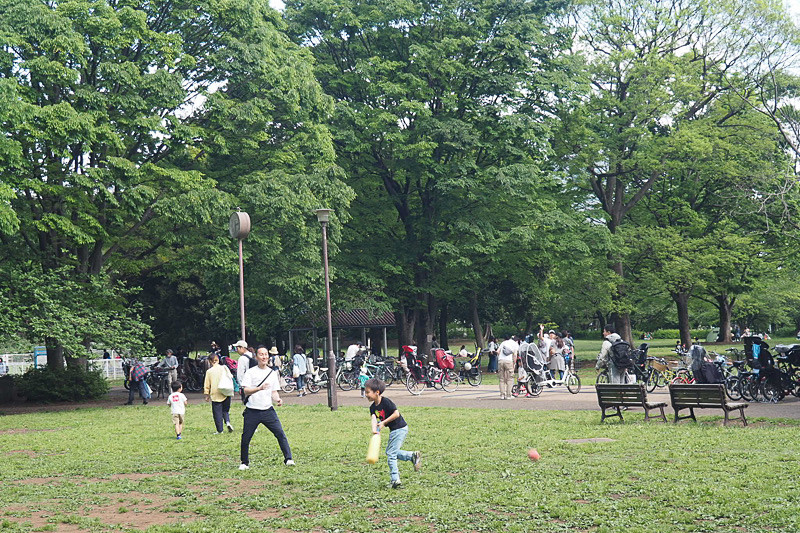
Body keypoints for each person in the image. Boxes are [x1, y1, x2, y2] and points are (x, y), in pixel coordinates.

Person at [239, 346, 294, 470]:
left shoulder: (272, 373)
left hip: (268, 410)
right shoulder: (251, 372)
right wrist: (259, 388)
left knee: (280, 434)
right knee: (246, 437)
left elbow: (273, 391)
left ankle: (288, 459)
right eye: (261, 354)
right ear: (257, 357)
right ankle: (244, 462)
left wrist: (278, 399)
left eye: (265, 354)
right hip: (252, 410)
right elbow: (246, 390)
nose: (264, 357)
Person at [364, 377, 421, 489]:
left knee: (391, 454)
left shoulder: (386, 402)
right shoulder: (372, 407)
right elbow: (374, 419)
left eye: (367, 392)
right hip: (395, 430)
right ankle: (412, 456)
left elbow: (396, 414)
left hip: (400, 428)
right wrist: (374, 430)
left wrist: (384, 423)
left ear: (377, 392)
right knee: (391, 452)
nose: (366, 394)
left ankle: (395, 480)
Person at [204, 352, 234, 434]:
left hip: (215, 394)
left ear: (210, 361)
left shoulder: (209, 371)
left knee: (217, 413)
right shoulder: (224, 368)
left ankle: (220, 430)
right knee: (225, 410)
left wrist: (207, 395)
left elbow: (207, 384)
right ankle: (227, 422)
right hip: (226, 392)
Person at [496, 335, 519, 399]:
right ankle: (508, 395)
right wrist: (514, 363)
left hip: (500, 361)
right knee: (510, 378)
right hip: (508, 361)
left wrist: (501, 357)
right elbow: (515, 355)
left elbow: (498, 351)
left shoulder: (504, 342)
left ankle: (502, 395)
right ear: (516, 340)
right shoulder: (515, 344)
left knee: (501, 379)